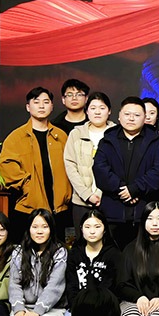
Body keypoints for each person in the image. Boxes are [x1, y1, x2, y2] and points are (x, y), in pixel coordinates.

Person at [93, 96, 159, 250]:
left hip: (145, 212)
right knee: (114, 256)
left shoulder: (157, 142)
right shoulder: (107, 140)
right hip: (113, 211)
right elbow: (100, 169)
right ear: (119, 116)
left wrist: (135, 189)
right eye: (127, 114)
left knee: (146, 255)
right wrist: (122, 190)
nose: (131, 118)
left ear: (145, 117)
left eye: (136, 115)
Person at [0, 86, 72, 241]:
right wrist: (27, 186)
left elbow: (71, 165)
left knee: (58, 249)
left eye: (46, 102)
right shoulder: (16, 137)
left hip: (59, 208)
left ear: (52, 106)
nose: (41, 106)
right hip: (28, 208)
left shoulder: (61, 136)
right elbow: (6, 165)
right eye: (36, 102)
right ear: (28, 107)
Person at [6, 209, 67, 316]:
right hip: (24, 308)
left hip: (52, 309)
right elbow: (14, 284)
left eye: (44, 227)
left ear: (51, 229)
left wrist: (37, 311)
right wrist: (19, 309)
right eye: (35, 227)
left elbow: (54, 286)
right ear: (29, 229)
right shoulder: (18, 252)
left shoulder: (59, 252)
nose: (39, 231)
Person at [64, 91, 114, 231]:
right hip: (81, 201)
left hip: (109, 200)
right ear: (86, 111)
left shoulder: (116, 134)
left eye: (102, 108)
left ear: (109, 111)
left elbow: (117, 168)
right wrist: (87, 194)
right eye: (93, 108)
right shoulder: (76, 134)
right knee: (82, 239)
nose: (97, 112)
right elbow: (70, 165)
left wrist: (99, 193)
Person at [65, 208, 120, 316]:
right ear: (81, 229)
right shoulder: (74, 253)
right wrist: (76, 308)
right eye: (87, 227)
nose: (92, 231)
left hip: (105, 308)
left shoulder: (113, 254)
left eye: (97, 227)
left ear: (105, 229)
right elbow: (71, 286)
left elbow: (111, 287)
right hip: (77, 308)